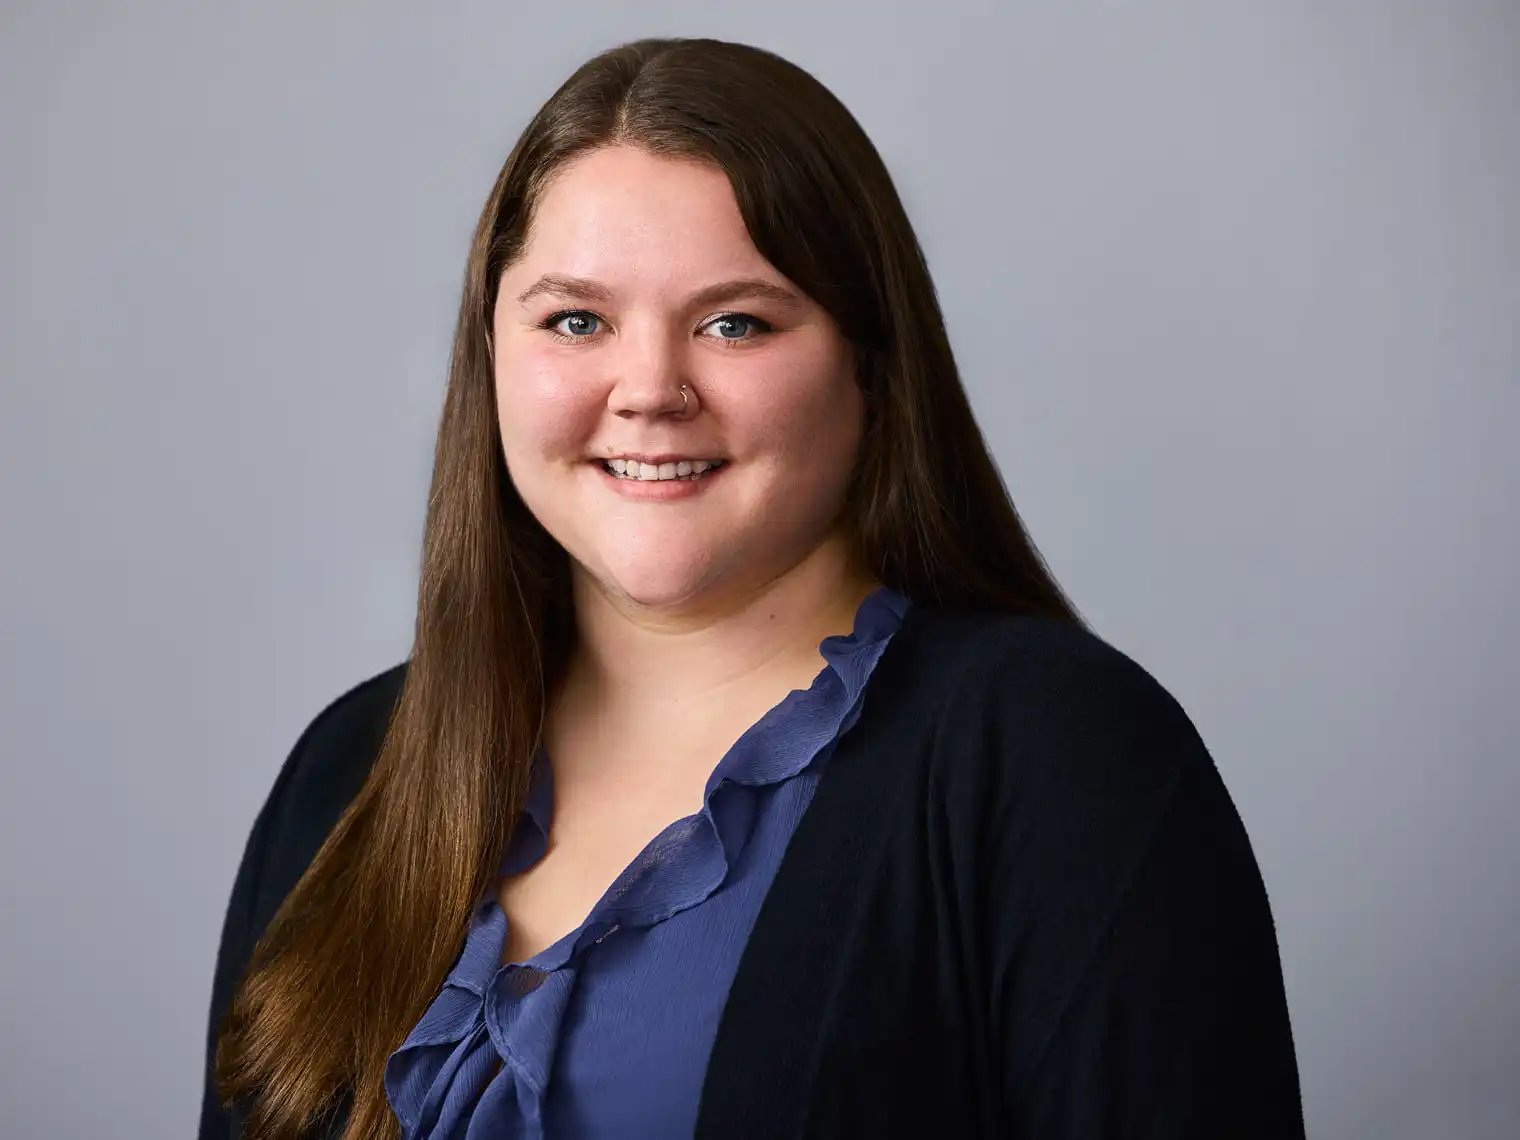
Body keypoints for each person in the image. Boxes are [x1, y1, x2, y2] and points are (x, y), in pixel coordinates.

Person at [199, 35, 1305, 1140]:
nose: (648, 391)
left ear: (868, 364)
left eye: (735, 323)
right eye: (575, 320)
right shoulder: (346, 771)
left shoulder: (1055, 758)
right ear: (489, 352)